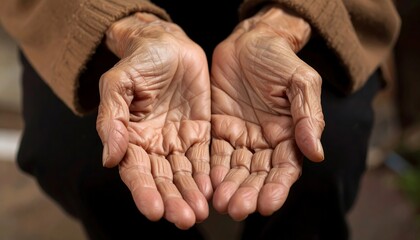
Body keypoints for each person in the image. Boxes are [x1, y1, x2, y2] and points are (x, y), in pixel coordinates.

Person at [0, 0, 400, 239]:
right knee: (68, 150)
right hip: (111, 18)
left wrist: (280, 24)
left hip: (289, 19)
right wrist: (131, 28)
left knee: (327, 148)